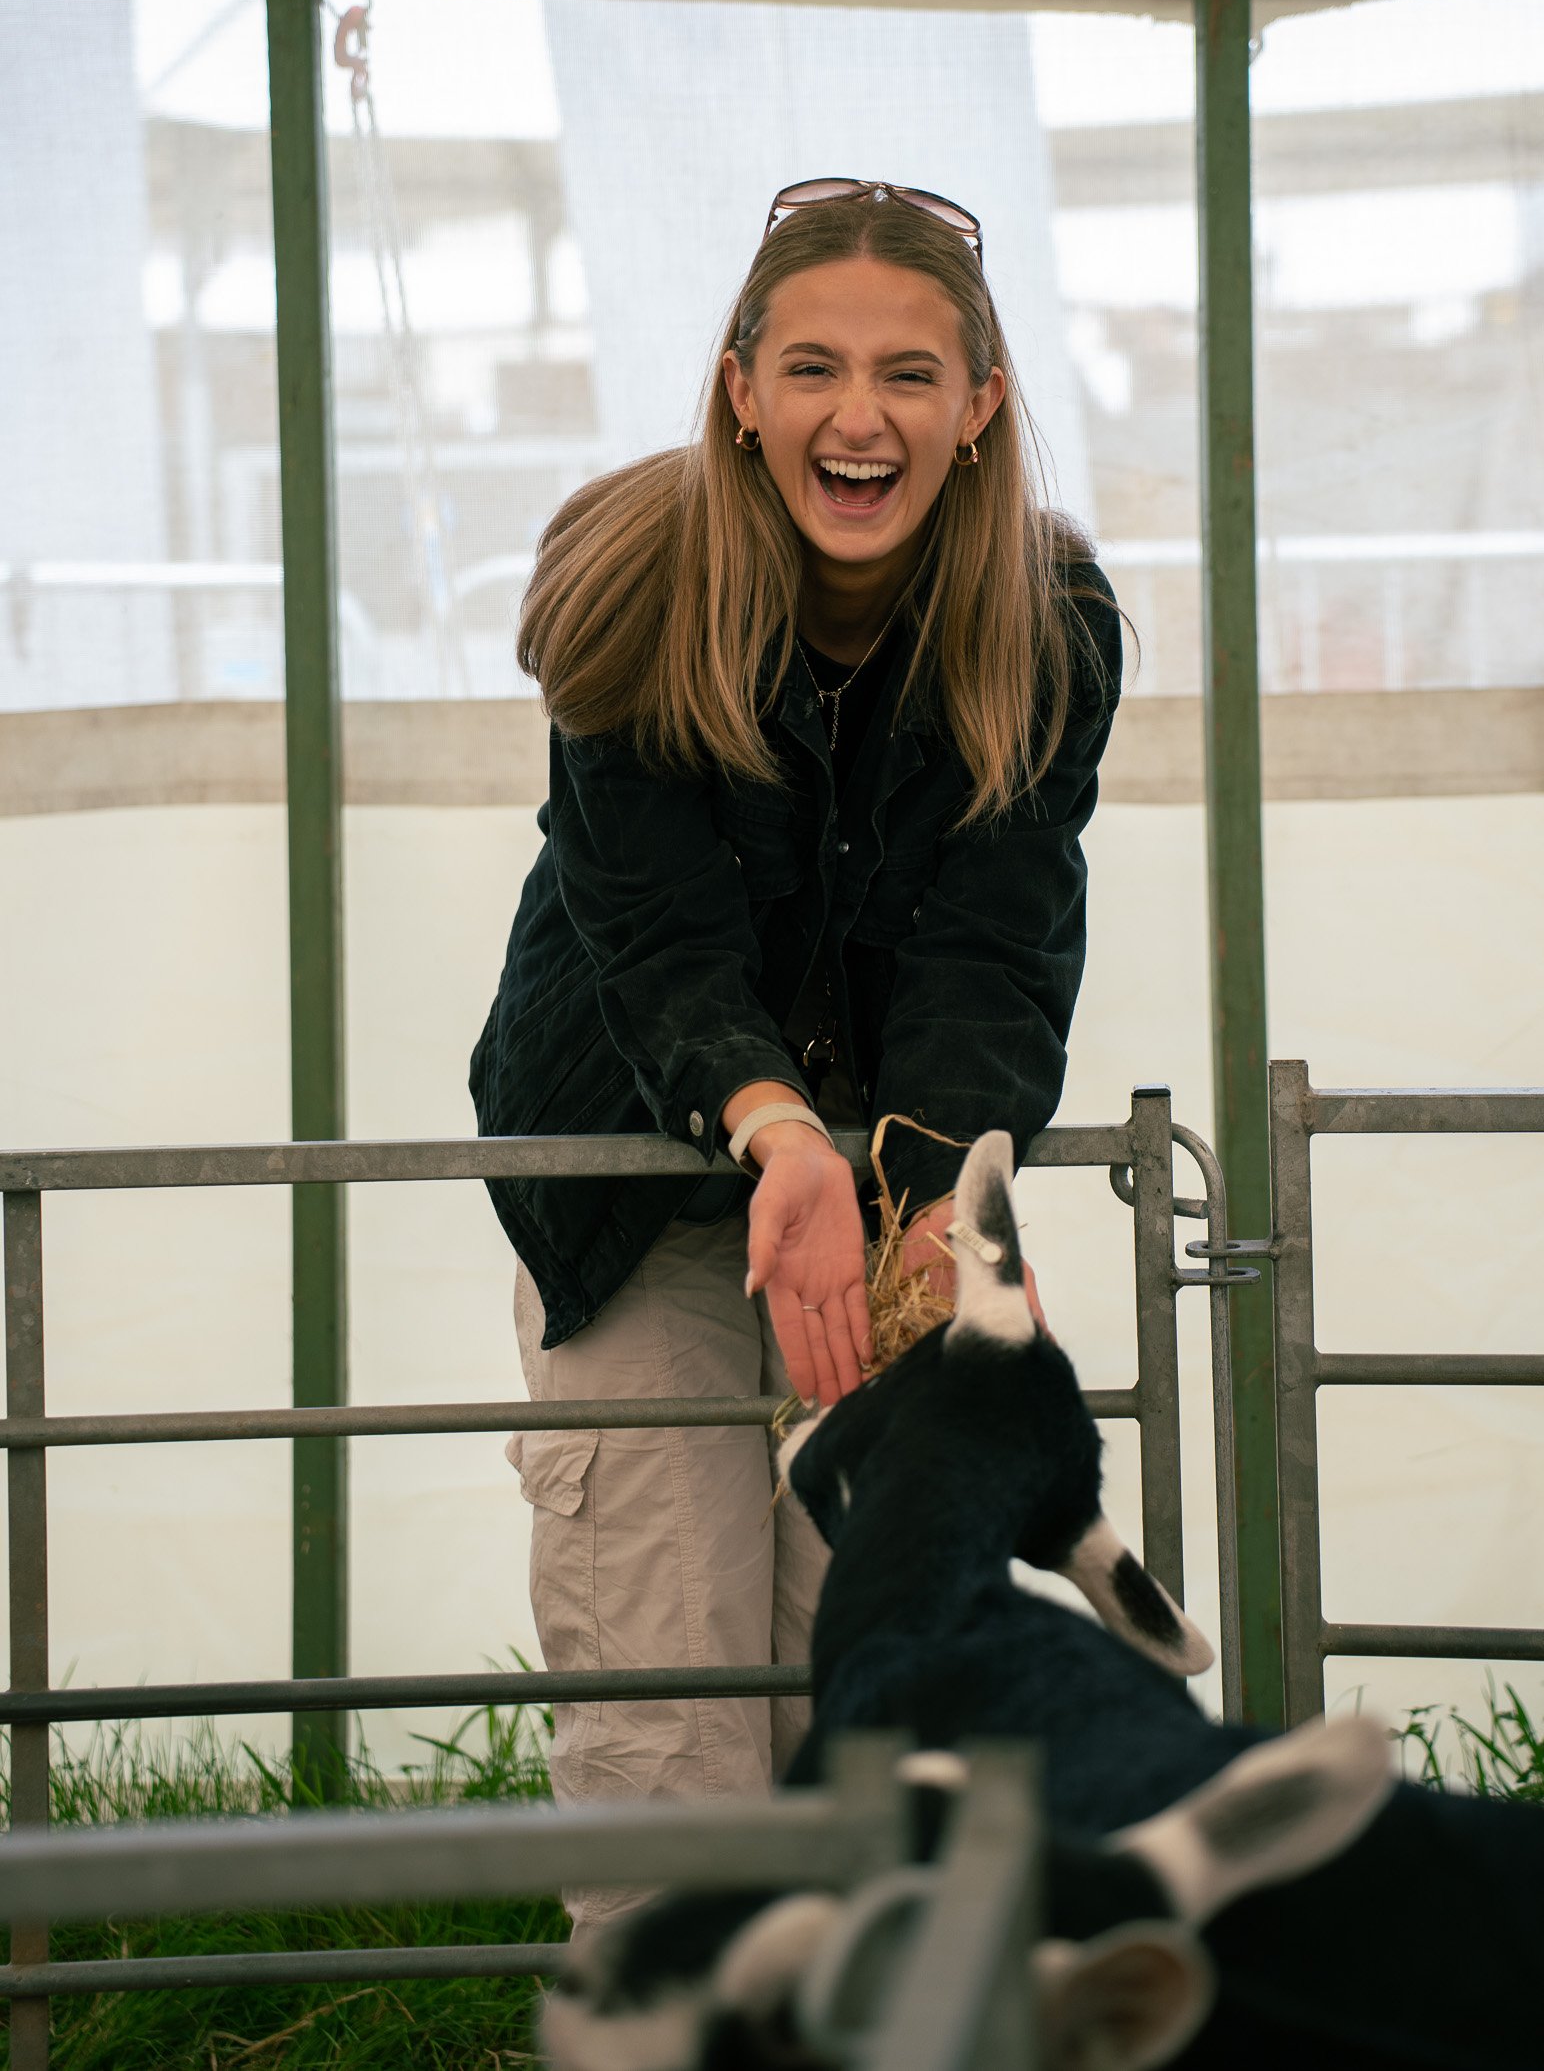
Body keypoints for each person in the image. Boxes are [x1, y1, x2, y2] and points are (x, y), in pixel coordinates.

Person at [470, 177, 1122, 1929]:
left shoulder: (1047, 616)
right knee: (669, 1673)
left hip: (887, 1169)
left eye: (911, 373)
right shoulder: (634, 580)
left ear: (980, 404)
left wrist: (938, 1197)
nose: (861, 417)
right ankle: (676, 2015)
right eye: (815, 367)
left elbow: (1000, 934)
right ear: (740, 387)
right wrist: (780, 1135)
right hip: (636, 1169)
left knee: (869, 1670)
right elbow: (655, 936)